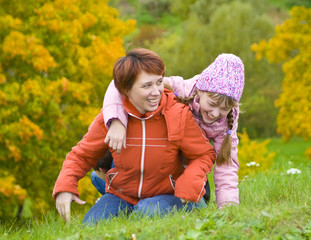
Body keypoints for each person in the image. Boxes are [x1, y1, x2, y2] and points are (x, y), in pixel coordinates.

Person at [52, 48, 215, 224]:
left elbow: (203, 154)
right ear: (125, 89)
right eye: (147, 86)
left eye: (159, 82)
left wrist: (190, 181)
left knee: (145, 213)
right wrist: (65, 186)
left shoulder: (178, 114)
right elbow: (81, 155)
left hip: (167, 194)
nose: (156, 92)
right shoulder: (109, 118)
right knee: (90, 226)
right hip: (121, 195)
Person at [102, 53, 245, 208]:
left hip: (190, 171)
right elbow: (119, 84)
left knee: (167, 203)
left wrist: (228, 206)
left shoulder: (226, 122)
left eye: (224, 109)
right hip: (159, 163)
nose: (216, 113)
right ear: (201, 91)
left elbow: (226, 165)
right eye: (212, 104)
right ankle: (123, 201)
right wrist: (116, 121)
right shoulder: (178, 88)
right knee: (99, 177)